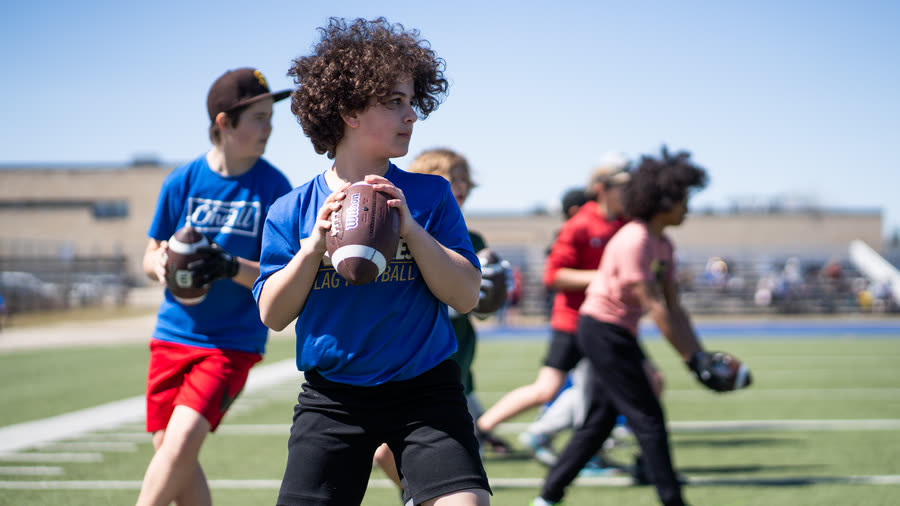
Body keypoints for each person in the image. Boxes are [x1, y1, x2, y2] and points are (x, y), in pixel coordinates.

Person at [253, 18, 491, 506]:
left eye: (412, 101)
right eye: (394, 102)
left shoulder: (429, 193)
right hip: (333, 398)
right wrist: (312, 249)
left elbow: (466, 296)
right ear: (348, 110)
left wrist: (411, 230)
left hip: (425, 388)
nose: (412, 116)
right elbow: (273, 316)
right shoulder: (291, 210)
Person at [137, 67, 292, 506]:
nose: (269, 128)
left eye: (270, 117)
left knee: (182, 440)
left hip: (230, 342)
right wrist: (163, 265)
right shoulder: (181, 182)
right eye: (259, 117)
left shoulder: (274, 188)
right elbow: (150, 255)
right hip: (171, 335)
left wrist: (226, 265)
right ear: (224, 123)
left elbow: (278, 273)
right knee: (171, 449)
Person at [532, 146, 711, 506]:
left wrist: (702, 356)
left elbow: (676, 308)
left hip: (615, 331)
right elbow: (654, 305)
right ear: (663, 200)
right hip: (602, 330)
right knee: (648, 417)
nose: (688, 208)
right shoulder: (636, 239)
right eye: (683, 199)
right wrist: (692, 362)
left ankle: (547, 498)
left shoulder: (664, 244)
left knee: (598, 423)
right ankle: (673, 500)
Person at [372, 148, 512, 495]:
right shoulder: (397, 229)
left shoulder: (473, 239)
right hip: (403, 358)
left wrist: (489, 296)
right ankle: (416, 496)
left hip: (452, 359)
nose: (461, 185)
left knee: (455, 467)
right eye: (453, 177)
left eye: (465, 179)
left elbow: (477, 307)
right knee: (383, 452)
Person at [475, 153, 631, 460]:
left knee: (615, 385)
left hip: (604, 322)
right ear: (602, 188)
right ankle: (486, 428)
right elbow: (553, 275)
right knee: (549, 389)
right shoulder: (580, 225)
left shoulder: (624, 224)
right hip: (573, 322)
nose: (629, 194)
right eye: (622, 186)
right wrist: (605, 278)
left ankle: (568, 445)